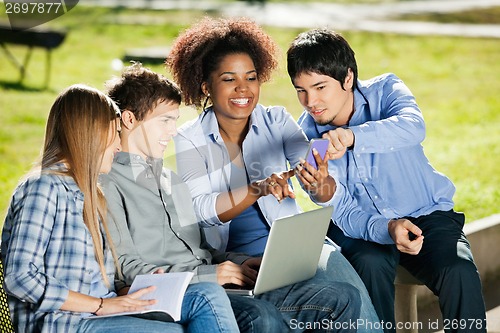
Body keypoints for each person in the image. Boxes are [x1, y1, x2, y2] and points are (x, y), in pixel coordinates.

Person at [102, 61, 361, 333]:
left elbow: (202, 249)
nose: (174, 130)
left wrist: (239, 263)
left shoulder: (171, 181)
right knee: (261, 316)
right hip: (186, 295)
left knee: (341, 298)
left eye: (175, 121)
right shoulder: (108, 184)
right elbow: (125, 269)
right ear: (129, 119)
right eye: (165, 121)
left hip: (218, 284)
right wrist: (209, 276)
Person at [168, 16, 381, 333]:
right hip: (238, 260)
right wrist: (258, 188)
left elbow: (316, 185)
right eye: (229, 79)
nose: (244, 89)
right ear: (206, 87)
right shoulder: (190, 138)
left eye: (251, 78)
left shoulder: (276, 121)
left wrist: (319, 174)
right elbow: (201, 210)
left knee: (348, 290)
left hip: (294, 248)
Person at [286, 28, 487, 333]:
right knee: (368, 262)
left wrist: (353, 137)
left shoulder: (387, 90)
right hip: (361, 228)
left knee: (457, 269)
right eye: (301, 90)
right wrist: (323, 189)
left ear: (348, 78)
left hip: (426, 212)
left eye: (319, 87)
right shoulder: (306, 139)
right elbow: (339, 207)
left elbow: (412, 127)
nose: (310, 101)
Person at [1, 84, 240, 333]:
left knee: (203, 298)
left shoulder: (91, 192)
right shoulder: (44, 187)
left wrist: (152, 280)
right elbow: (20, 277)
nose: (118, 145)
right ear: (90, 133)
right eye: (114, 133)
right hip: (65, 321)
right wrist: (101, 305)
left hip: (102, 309)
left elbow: (108, 273)